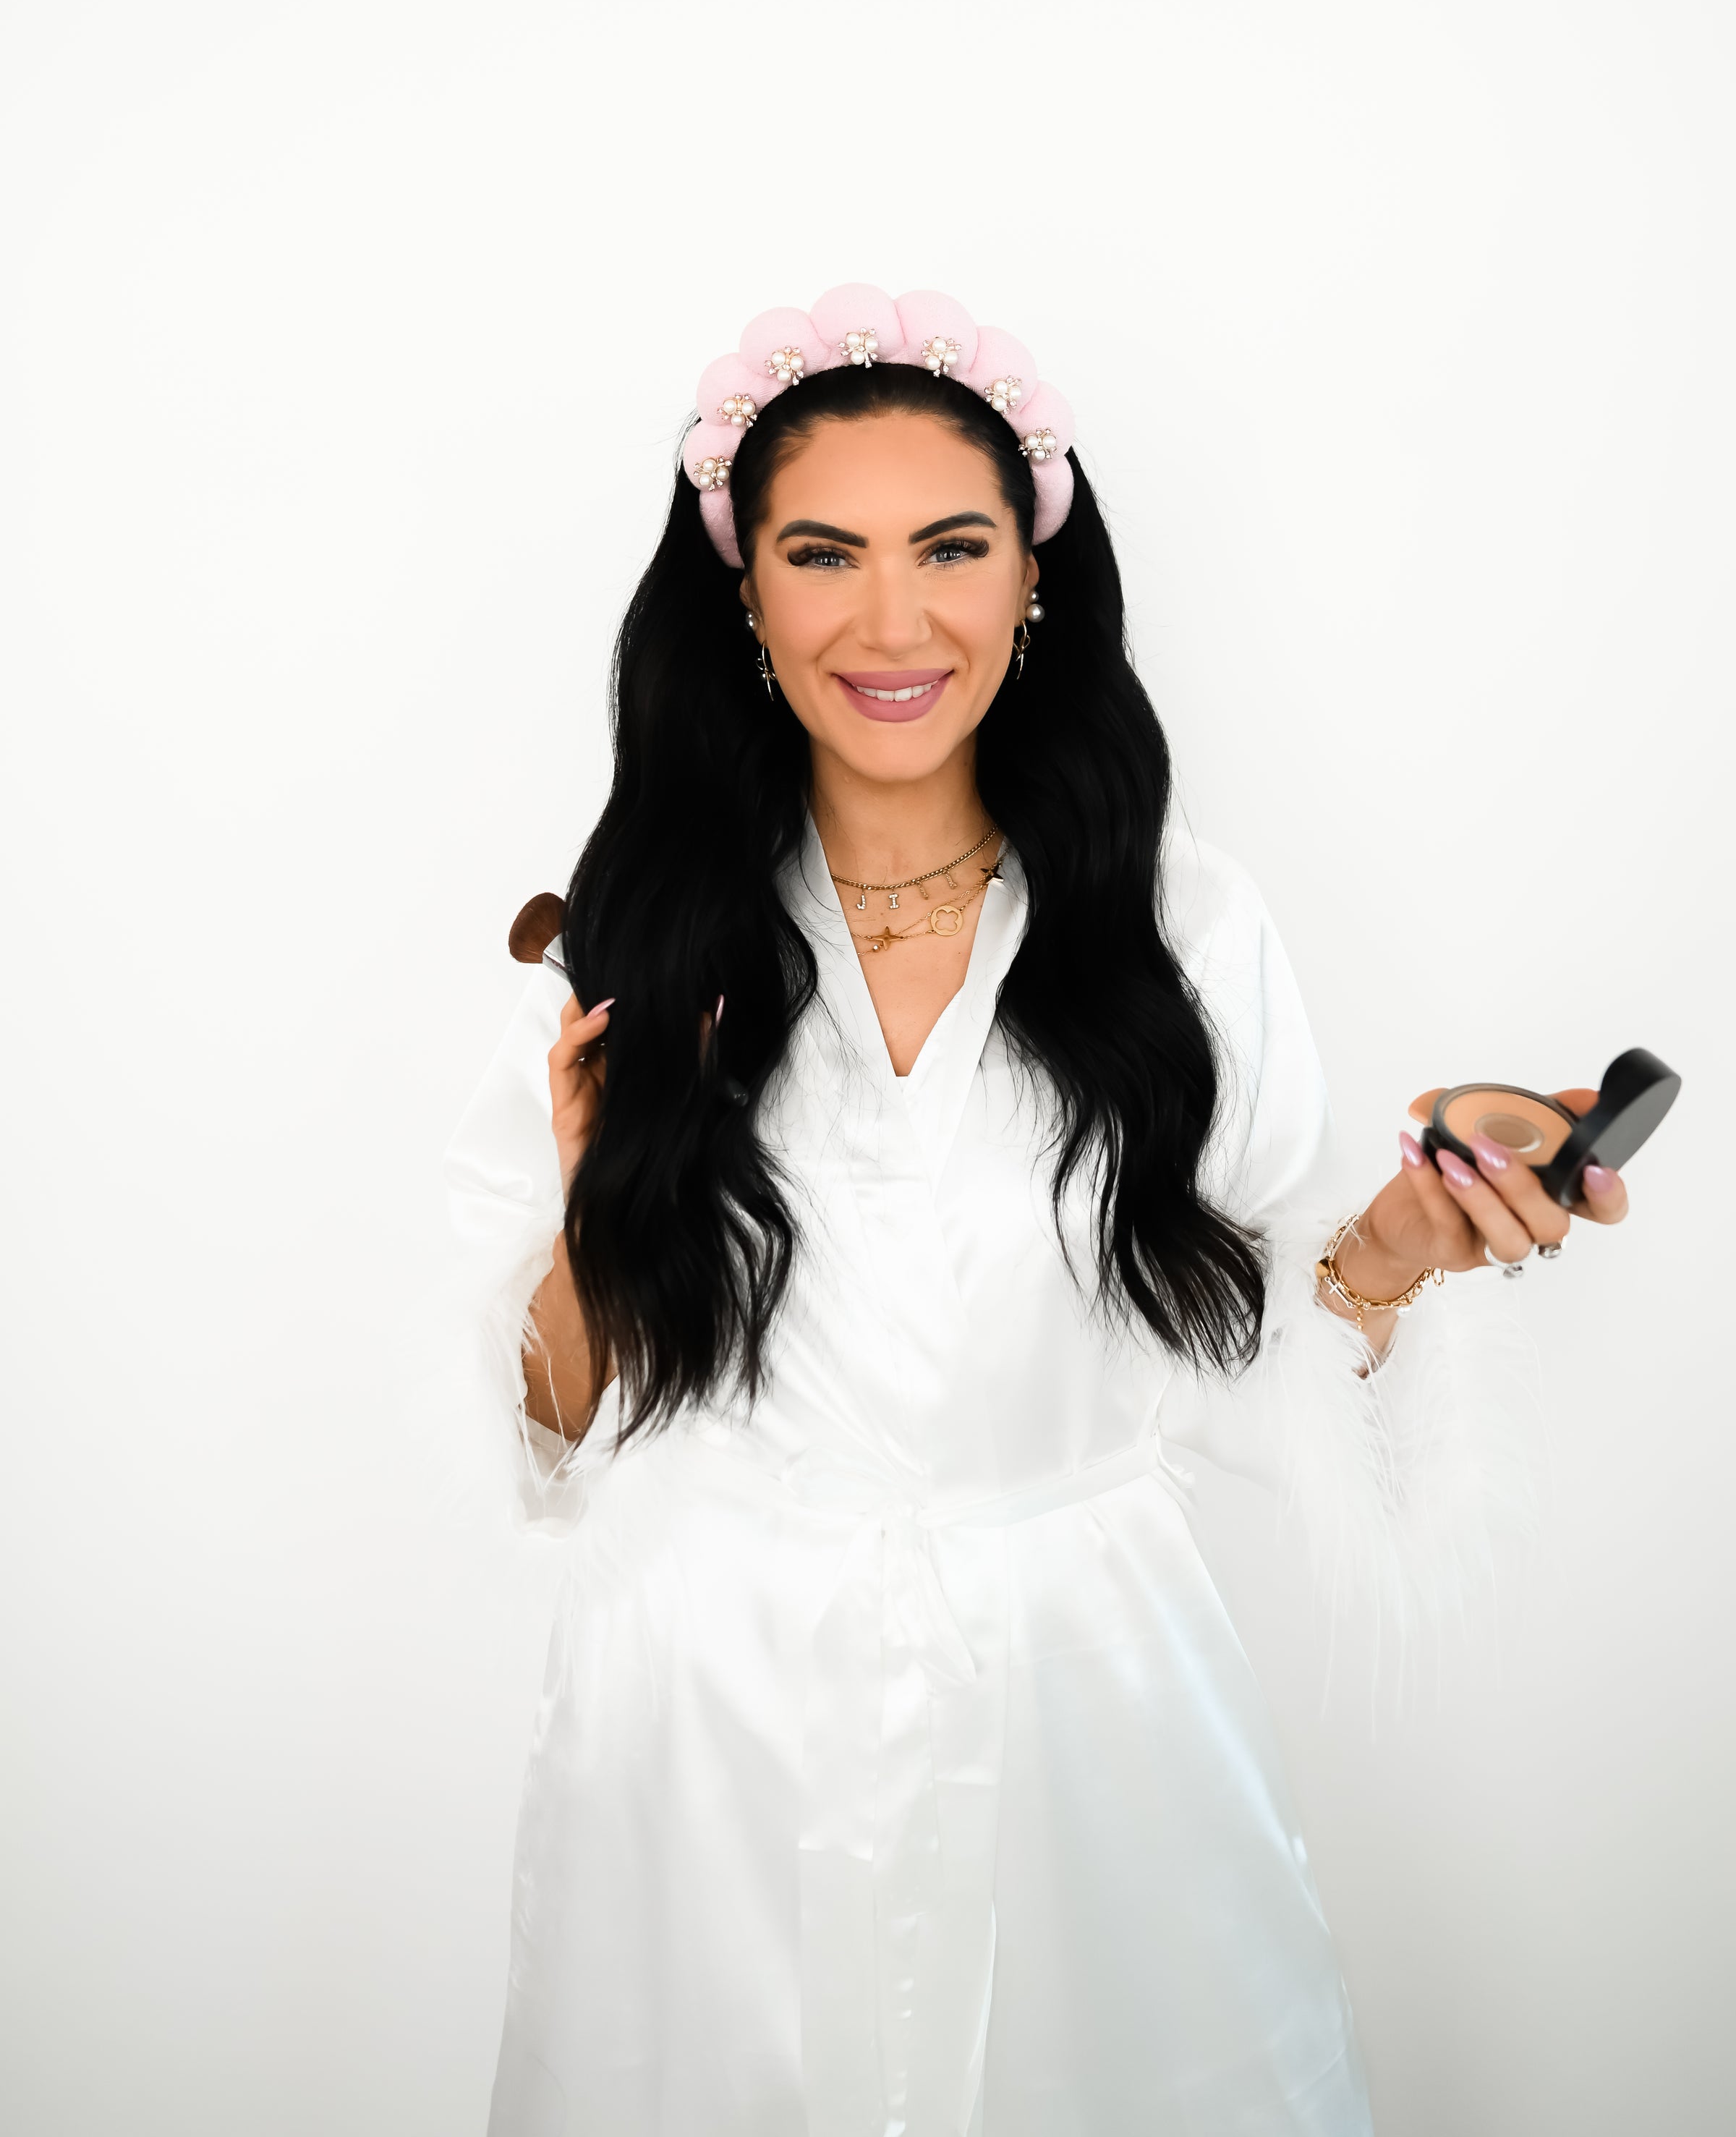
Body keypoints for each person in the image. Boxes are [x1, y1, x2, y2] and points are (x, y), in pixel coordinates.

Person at [443, 284, 1630, 2137]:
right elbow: (541, 1432)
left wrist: (1408, 1239)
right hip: (711, 1716)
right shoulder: (627, 941)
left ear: (1033, 579)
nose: (893, 621)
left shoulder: (1178, 927)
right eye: (823, 553)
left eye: (951, 548)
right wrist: (609, 1204)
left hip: (1088, 1704)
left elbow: (1229, 1362)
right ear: (742, 590)